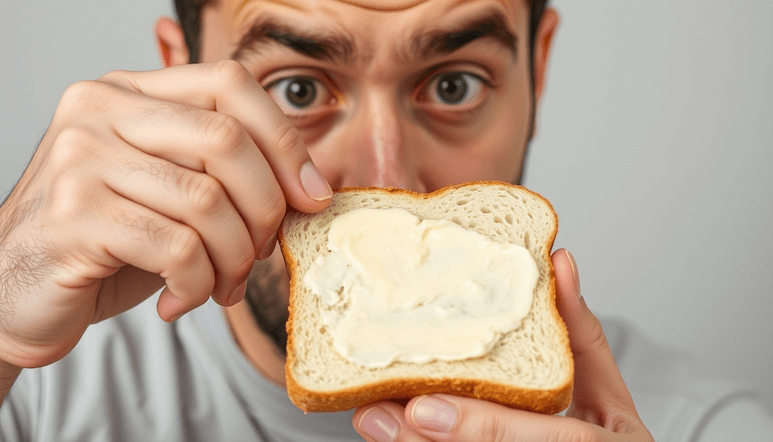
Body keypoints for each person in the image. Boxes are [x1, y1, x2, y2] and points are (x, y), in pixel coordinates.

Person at [0, 0, 771, 440]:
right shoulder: (38, 393)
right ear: (177, 80)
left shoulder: (701, 427)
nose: (385, 183)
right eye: (296, 91)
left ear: (536, 70)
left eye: (454, 84)